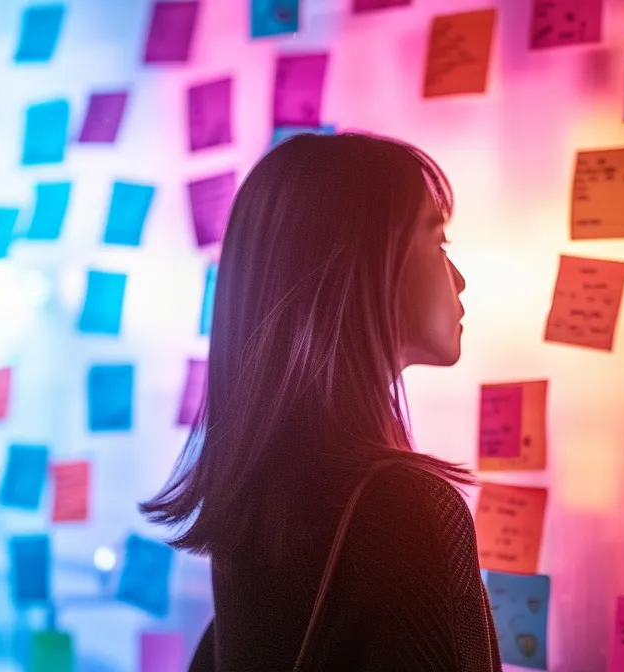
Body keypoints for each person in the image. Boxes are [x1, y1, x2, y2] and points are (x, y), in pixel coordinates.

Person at [142, 133, 499, 671]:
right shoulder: (407, 513)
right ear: (362, 266)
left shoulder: (255, 493)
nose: (460, 280)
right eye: (438, 242)